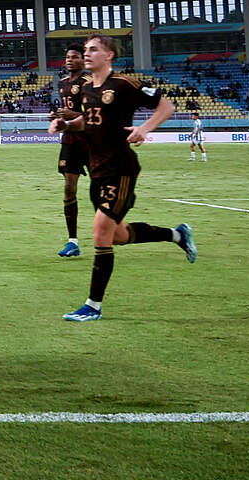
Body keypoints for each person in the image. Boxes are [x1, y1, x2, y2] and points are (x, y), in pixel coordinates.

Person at [50, 35, 196, 323]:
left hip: (121, 170)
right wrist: (65, 123)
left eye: (94, 50)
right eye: (87, 50)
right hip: (97, 170)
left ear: (110, 55)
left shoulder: (124, 84)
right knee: (119, 235)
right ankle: (177, 234)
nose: (87, 54)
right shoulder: (87, 89)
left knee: (100, 233)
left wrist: (145, 128)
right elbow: (87, 121)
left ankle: (92, 305)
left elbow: (166, 106)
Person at [50, 44, 91, 258]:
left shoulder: (90, 83)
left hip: (92, 140)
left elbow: (92, 114)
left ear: (83, 60)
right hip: (70, 140)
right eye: (67, 57)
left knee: (100, 190)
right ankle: (72, 241)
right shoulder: (63, 83)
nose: (69, 60)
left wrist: (70, 113)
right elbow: (68, 113)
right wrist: (58, 116)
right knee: (68, 187)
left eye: (74, 57)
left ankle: (112, 229)